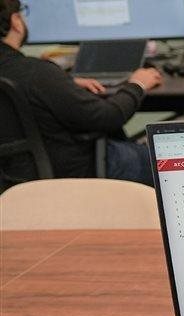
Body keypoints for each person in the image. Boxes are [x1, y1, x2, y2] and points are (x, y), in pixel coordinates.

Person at [0, 0, 163, 188]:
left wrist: (62, 82)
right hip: (75, 173)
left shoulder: (29, 75)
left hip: (14, 180)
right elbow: (108, 117)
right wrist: (138, 84)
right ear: (16, 21)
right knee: (171, 163)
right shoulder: (36, 74)